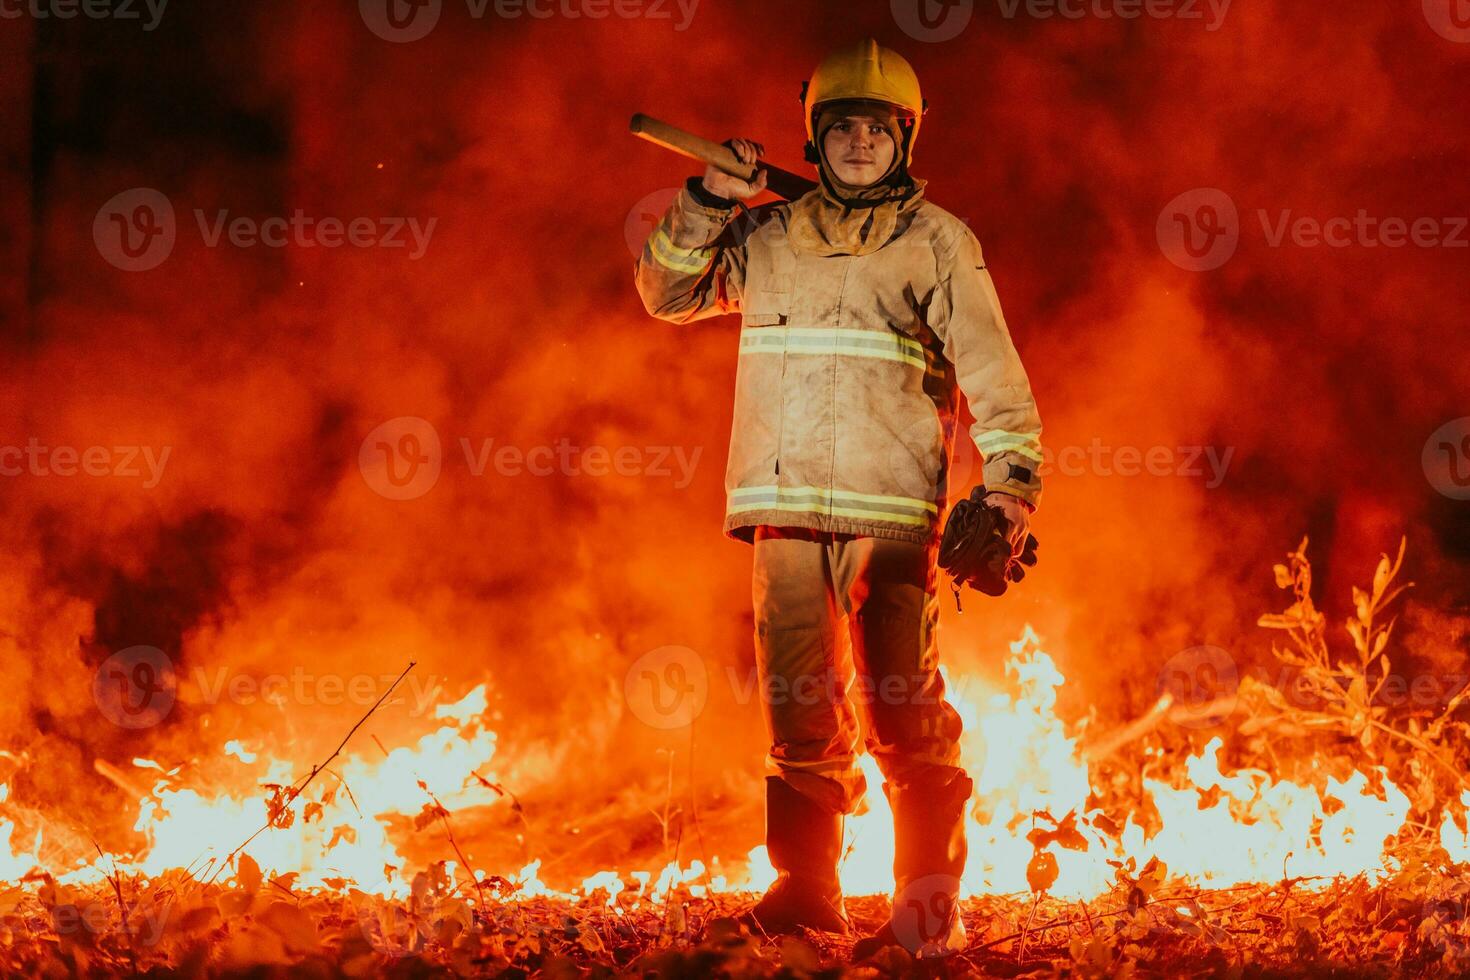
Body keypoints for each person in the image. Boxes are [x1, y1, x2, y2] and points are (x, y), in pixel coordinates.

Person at [633, 38, 1044, 957]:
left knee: (903, 711)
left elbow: (998, 380)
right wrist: (707, 201)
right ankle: (808, 888)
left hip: (892, 516)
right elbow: (666, 292)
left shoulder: (939, 243)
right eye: (842, 127)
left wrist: (1011, 494)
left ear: (907, 141)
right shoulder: (768, 237)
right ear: (815, 141)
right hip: (780, 512)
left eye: (878, 129)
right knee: (799, 708)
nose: (860, 143)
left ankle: (925, 908)